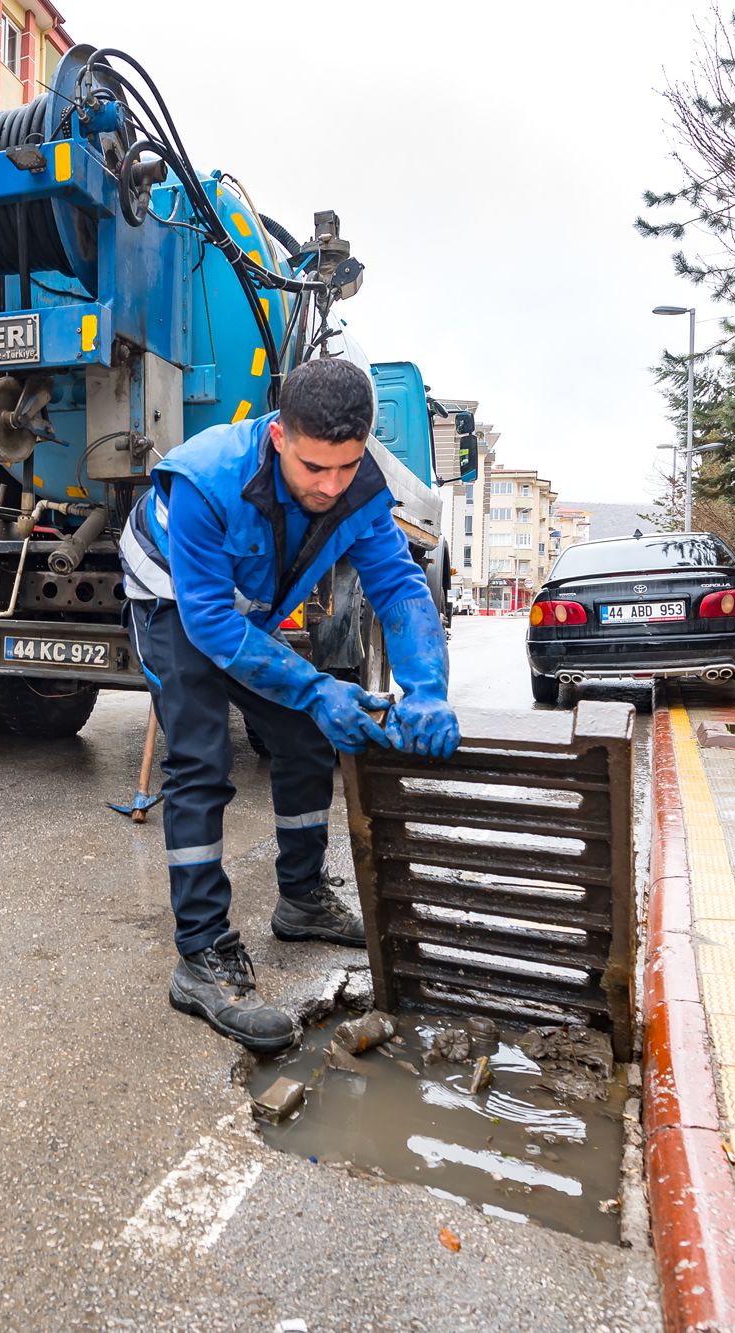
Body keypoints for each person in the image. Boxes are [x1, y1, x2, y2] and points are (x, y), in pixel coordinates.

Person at [118, 356, 461, 1053]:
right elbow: (212, 624)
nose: (330, 487)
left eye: (345, 467)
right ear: (279, 436)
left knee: (306, 737)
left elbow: (397, 587)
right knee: (201, 760)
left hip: (244, 602)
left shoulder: (361, 491)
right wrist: (313, 684)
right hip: (173, 597)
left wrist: (427, 688)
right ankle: (202, 956)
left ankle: (302, 899)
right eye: (313, 469)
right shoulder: (204, 477)